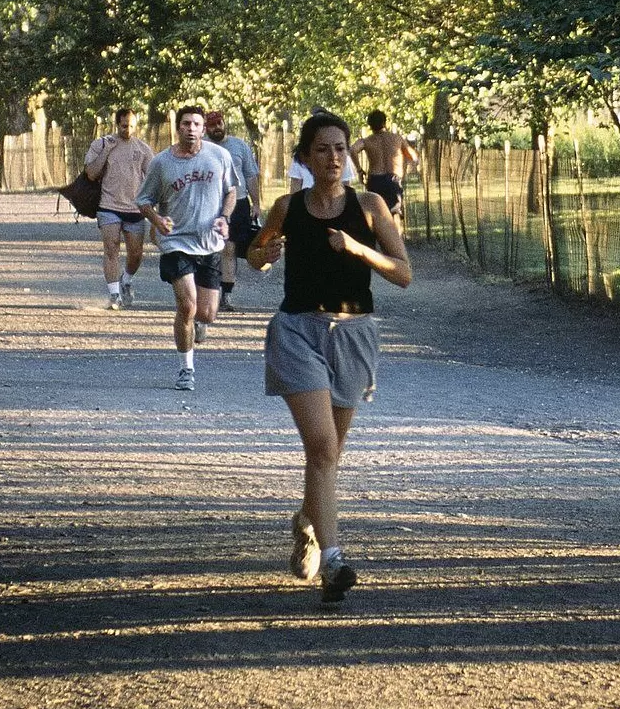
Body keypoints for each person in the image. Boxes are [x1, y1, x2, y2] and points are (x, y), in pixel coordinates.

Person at [247, 110, 413, 604]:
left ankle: (307, 522)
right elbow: (253, 254)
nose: (334, 157)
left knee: (329, 455)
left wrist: (360, 251)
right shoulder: (287, 206)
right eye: (322, 149)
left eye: (340, 148)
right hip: (298, 331)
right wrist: (266, 255)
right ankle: (335, 561)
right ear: (305, 157)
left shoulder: (370, 206)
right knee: (321, 446)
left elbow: (403, 273)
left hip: (355, 332)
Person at [136, 106, 242, 391]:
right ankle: (186, 369)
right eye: (186, 124)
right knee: (187, 305)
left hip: (209, 242)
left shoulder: (219, 156)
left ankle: (196, 324)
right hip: (176, 242)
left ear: (203, 129)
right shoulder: (161, 163)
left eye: (196, 123)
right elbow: (144, 200)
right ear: (178, 128)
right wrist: (157, 219)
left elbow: (231, 190)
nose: (191, 128)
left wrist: (224, 217)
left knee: (206, 313)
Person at [84, 109, 155, 308]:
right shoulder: (101, 144)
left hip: (135, 209)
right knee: (111, 248)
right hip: (108, 206)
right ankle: (114, 294)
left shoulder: (143, 149)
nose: (128, 130)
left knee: (136, 254)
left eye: (132, 126)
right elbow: (91, 173)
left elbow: (153, 177)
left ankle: (126, 279)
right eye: (124, 126)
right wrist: (107, 150)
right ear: (117, 124)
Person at [206, 108, 262, 309]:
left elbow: (251, 175)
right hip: (210, 203)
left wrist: (256, 203)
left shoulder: (239, 146)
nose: (217, 128)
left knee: (229, 247)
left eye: (219, 124)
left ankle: (226, 295)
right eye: (212, 125)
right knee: (210, 249)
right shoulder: (202, 147)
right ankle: (207, 290)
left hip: (237, 202)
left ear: (224, 123)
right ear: (206, 128)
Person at [355, 110, 418, 212]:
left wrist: (359, 170)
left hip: (375, 180)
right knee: (395, 212)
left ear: (370, 125)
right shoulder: (397, 138)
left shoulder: (366, 141)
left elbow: (353, 150)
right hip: (393, 180)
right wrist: (404, 163)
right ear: (384, 123)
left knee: (376, 213)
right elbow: (413, 156)